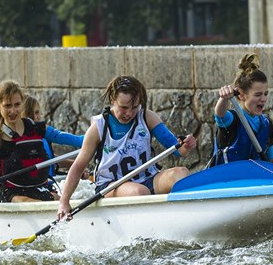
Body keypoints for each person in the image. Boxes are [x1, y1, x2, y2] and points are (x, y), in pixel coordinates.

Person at [57, 75, 197, 221]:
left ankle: (184, 219)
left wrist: (187, 146)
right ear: (113, 100)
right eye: (123, 107)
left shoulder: (147, 117)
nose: (129, 113)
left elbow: (177, 150)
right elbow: (77, 168)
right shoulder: (98, 128)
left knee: (181, 174)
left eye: (134, 107)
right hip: (110, 186)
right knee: (139, 192)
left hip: (148, 178)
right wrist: (64, 202)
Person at [0, 80, 77, 203]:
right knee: (27, 202)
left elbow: (57, 153)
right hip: (13, 196)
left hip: (41, 190)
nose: (13, 111)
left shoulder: (37, 128)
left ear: (22, 103)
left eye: (17, 105)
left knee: (62, 201)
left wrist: (80, 164)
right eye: (7, 106)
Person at [209, 53, 273, 167]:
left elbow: (272, 162)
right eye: (258, 94)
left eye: (266, 94)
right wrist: (223, 98)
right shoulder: (232, 120)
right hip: (225, 179)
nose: (263, 99)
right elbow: (220, 114)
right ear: (241, 95)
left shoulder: (267, 124)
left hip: (253, 180)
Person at [22, 95, 87, 198]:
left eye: (39, 112)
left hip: (49, 186)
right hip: (32, 189)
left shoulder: (43, 134)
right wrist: (88, 140)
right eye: (36, 113)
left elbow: (50, 158)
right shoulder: (22, 139)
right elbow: (58, 137)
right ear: (26, 114)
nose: (39, 116)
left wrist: (76, 165)